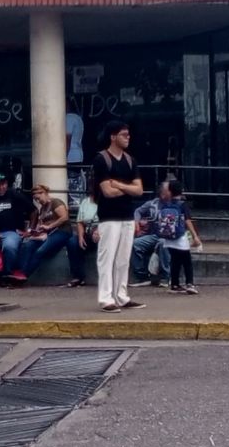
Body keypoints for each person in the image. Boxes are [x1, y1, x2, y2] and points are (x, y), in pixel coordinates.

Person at [92, 121, 145, 313]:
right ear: (112, 137)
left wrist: (119, 185)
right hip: (109, 216)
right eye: (123, 134)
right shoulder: (101, 159)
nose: (127, 137)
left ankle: (121, 296)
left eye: (128, 134)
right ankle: (106, 298)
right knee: (107, 258)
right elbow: (107, 191)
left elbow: (139, 191)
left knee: (123, 259)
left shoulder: (130, 160)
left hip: (127, 215)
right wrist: (128, 188)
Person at [16, 185, 72, 281]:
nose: (38, 201)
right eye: (35, 199)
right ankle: (20, 271)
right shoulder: (42, 209)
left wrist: (50, 226)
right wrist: (32, 232)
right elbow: (41, 224)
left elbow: (64, 217)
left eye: (38, 198)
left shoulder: (56, 202)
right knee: (28, 245)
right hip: (48, 234)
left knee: (40, 251)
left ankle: (24, 275)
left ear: (44, 193)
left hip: (61, 231)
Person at [159, 179, 202, 295]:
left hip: (168, 236)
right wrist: (195, 236)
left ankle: (175, 284)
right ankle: (190, 284)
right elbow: (187, 221)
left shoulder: (165, 204)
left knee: (175, 261)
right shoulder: (182, 204)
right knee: (186, 261)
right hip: (180, 237)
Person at [129, 182, 172, 287]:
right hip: (154, 235)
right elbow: (137, 211)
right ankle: (142, 277)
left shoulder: (174, 204)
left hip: (168, 237)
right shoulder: (152, 203)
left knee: (163, 243)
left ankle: (166, 277)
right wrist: (136, 223)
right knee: (135, 244)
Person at [65, 193, 99, 288]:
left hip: (104, 230)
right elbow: (79, 222)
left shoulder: (108, 201)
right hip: (88, 231)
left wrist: (100, 230)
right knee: (72, 242)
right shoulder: (85, 202)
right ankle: (78, 277)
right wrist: (80, 237)